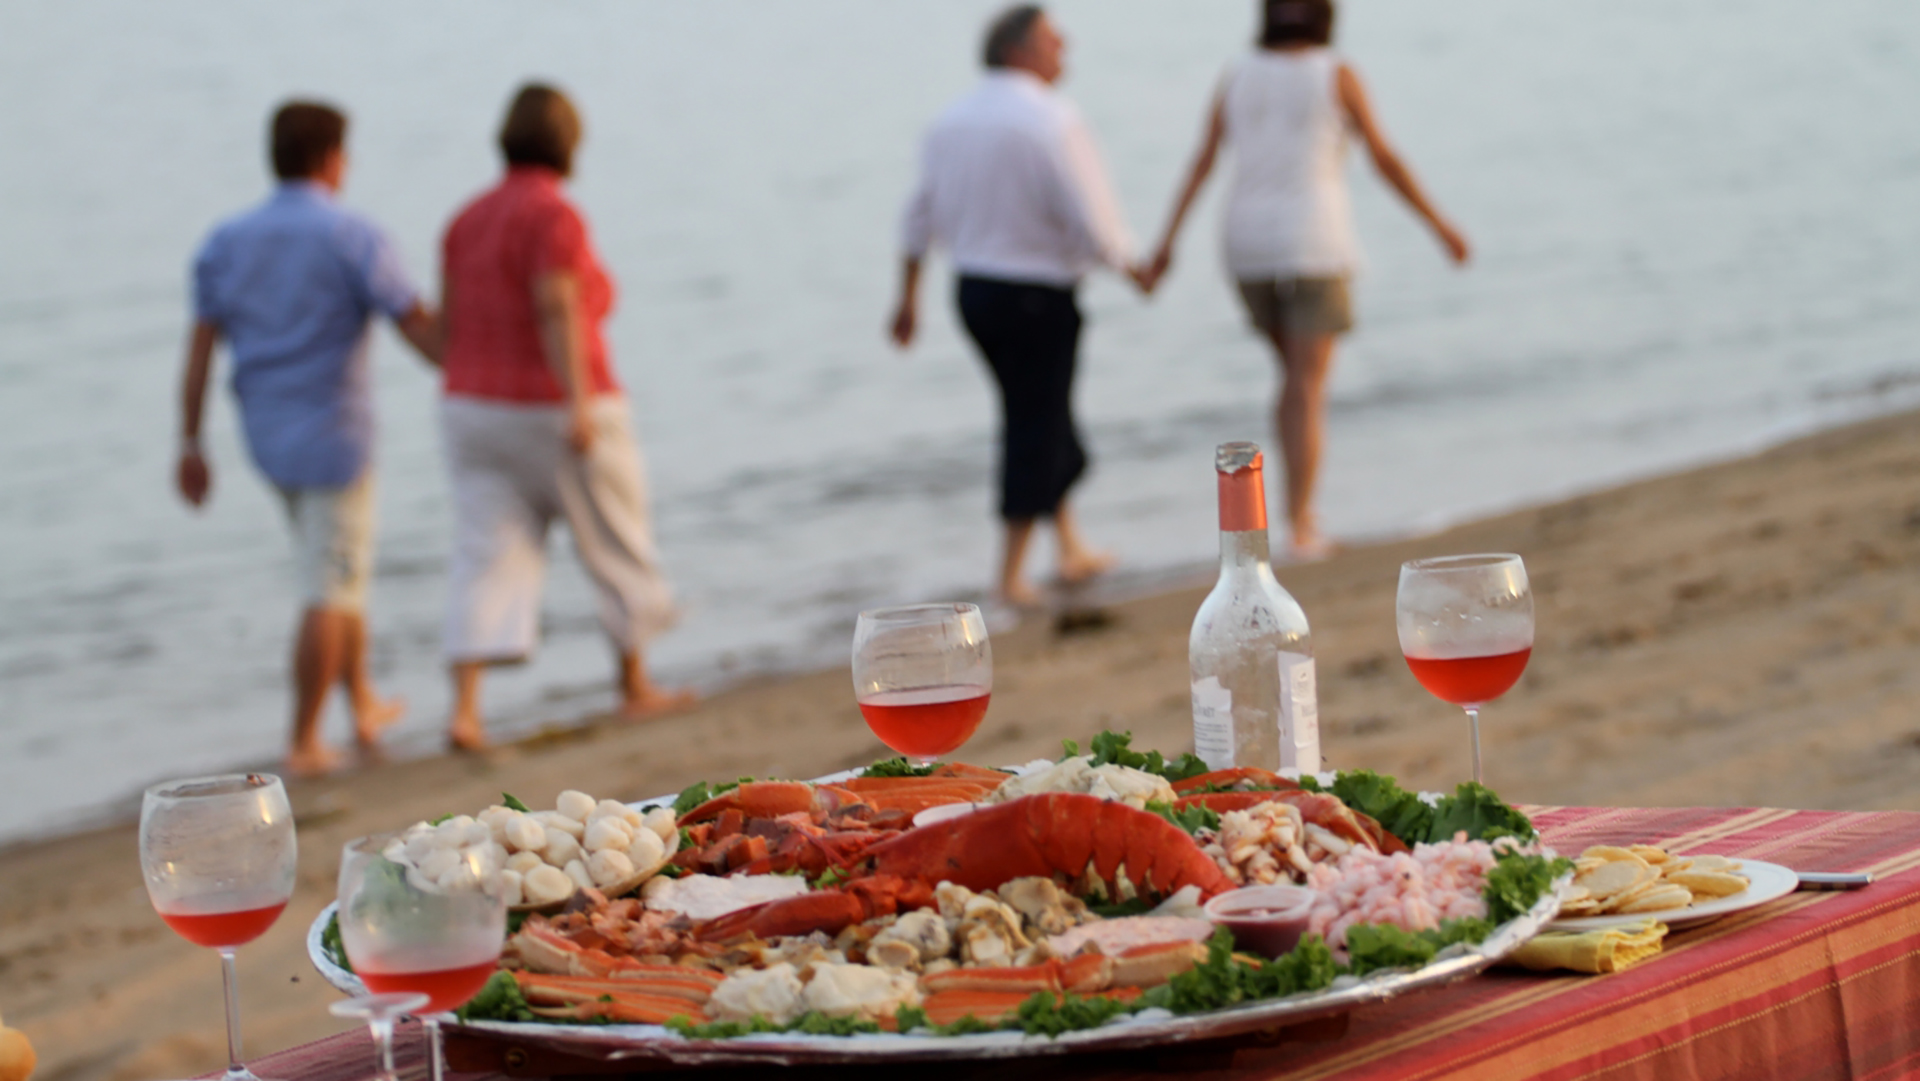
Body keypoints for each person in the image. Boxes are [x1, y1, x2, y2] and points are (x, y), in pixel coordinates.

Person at [1144, 0, 1470, 559]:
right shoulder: (1335, 72)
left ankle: (1285, 518)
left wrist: (1165, 245)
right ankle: (1301, 525)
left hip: (1245, 245)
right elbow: (1384, 157)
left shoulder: (1237, 74)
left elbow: (1201, 161)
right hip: (1314, 242)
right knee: (1306, 385)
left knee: (1293, 380)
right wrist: (1441, 226)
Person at [177, 101, 440, 776]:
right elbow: (413, 322)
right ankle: (303, 739)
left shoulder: (226, 240)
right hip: (335, 438)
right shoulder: (351, 233)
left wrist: (190, 441)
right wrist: (470, 362)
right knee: (330, 582)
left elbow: (201, 346)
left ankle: (364, 707)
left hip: (265, 437)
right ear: (332, 159)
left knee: (336, 568)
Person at [437, 83, 693, 750]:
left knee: (483, 552)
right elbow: (557, 305)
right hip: (552, 402)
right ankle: (635, 683)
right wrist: (577, 400)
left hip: (473, 405)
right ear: (568, 142)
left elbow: (449, 324)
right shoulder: (555, 215)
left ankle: (465, 711)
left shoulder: (466, 219)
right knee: (614, 534)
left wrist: (461, 386)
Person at [889, 4, 1148, 609]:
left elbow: (916, 216)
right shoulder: (1051, 119)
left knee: (1039, 412)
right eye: (1054, 41)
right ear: (1018, 51)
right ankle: (1007, 574)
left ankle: (1069, 545)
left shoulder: (949, 121)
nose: (1066, 50)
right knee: (1034, 423)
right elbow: (1093, 214)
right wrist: (1133, 266)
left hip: (974, 293)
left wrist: (907, 298)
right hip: (1035, 293)